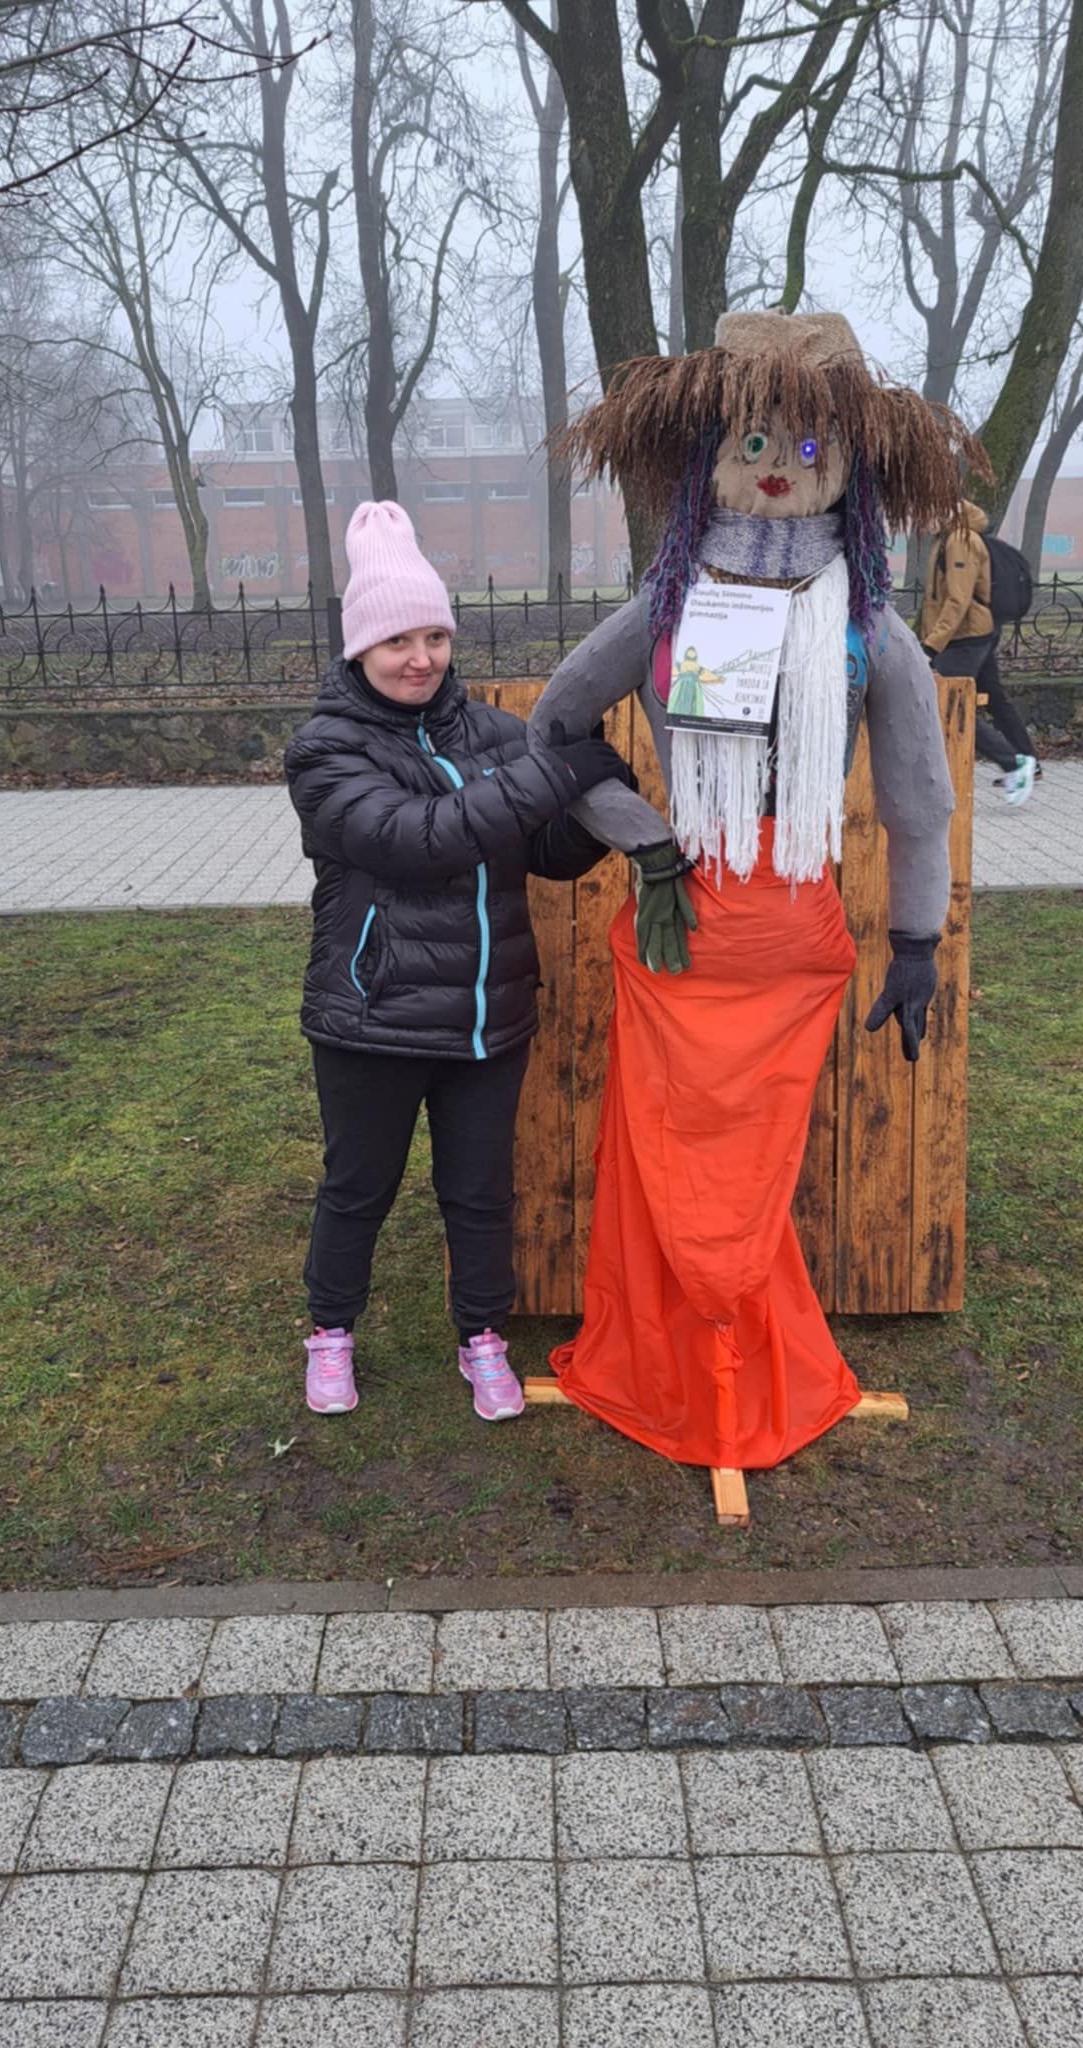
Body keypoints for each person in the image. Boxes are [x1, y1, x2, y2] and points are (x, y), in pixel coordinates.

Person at [523, 309, 983, 1473]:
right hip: (679, 929)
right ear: (709, 457)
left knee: (747, 1168)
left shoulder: (870, 628)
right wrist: (644, 840)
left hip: (789, 939)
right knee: (666, 1155)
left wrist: (914, 941)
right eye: (756, 444)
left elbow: (919, 801)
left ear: (848, 469)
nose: (778, 467)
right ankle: (678, 1365)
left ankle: (729, 1369)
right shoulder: (667, 607)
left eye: (808, 449)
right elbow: (556, 726)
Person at [285, 500, 631, 1422]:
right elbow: (416, 838)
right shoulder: (324, 750)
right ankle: (331, 1333)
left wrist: (598, 798)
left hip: (488, 1015)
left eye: (434, 636)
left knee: (479, 1195)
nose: (421, 658)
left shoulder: (494, 734)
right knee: (358, 1188)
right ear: (360, 648)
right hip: (374, 1015)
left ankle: (482, 1338)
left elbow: (544, 852)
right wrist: (549, 776)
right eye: (397, 640)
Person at [920, 501, 1038, 805]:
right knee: (994, 698)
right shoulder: (947, 538)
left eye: (925, 511)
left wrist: (931, 645)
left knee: (946, 702)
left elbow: (957, 601)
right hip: (972, 634)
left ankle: (1014, 763)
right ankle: (1025, 760)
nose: (921, 520)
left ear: (943, 511)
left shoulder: (960, 540)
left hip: (966, 637)